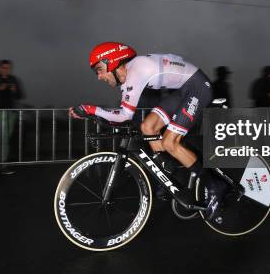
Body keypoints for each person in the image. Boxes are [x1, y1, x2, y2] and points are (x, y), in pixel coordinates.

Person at [68, 42, 226, 220]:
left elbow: (124, 115)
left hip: (197, 88)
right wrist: (91, 113)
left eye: (99, 69)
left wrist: (90, 109)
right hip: (184, 90)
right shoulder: (128, 76)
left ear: (112, 61)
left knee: (169, 142)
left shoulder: (138, 70)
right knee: (147, 127)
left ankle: (214, 186)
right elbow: (120, 113)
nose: (99, 76)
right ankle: (167, 173)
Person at [0, 59, 25, 178]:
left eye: (8, 68)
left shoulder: (13, 79)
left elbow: (20, 95)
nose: (6, 70)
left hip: (10, 113)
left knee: (6, 140)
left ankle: (3, 167)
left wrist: (15, 91)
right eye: (3, 67)